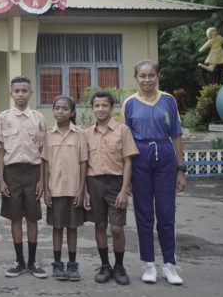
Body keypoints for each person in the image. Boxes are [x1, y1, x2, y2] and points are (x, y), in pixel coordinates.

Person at [121, 59, 186, 285]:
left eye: (151, 75)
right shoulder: (129, 104)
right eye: (142, 76)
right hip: (140, 158)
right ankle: (148, 263)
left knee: (167, 214)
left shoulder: (168, 101)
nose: (147, 79)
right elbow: (125, 140)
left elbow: (176, 135)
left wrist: (180, 169)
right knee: (144, 214)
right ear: (136, 78)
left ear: (158, 76)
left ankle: (170, 265)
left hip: (165, 157)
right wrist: (125, 178)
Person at [82, 91, 138, 285]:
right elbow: (84, 164)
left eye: (104, 105)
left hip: (115, 183)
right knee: (99, 225)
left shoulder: (122, 131)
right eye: (96, 106)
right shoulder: (87, 134)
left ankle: (120, 266)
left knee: (116, 228)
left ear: (111, 108)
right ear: (92, 109)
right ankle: (105, 265)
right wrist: (85, 191)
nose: (100, 109)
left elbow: (128, 160)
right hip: (94, 183)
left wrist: (124, 189)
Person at [0, 76, 48, 279]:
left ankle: (32, 261)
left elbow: (43, 152)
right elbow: (0, 150)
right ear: (11, 93)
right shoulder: (3, 118)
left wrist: (42, 180)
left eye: (24, 91)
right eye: (16, 91)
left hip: (33, 172)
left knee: (33, 217)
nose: (20, 94)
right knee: (15, 217)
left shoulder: (38, 119)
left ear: (31, 93)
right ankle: (19, 261)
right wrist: (1, 179)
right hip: (11, 173)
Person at [43, 95, 87, 282]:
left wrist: (81, 189)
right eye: (57, 108)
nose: (60, 111)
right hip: (55, 189)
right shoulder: (47, 134)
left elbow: (84, 162)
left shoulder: (79, 134)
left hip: (73, 189)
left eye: (64, 108)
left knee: (72, 227)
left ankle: (72, 264)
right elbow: (44, 163)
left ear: (72, 112)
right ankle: (57, 263)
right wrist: (45, 189)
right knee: (57, 227)